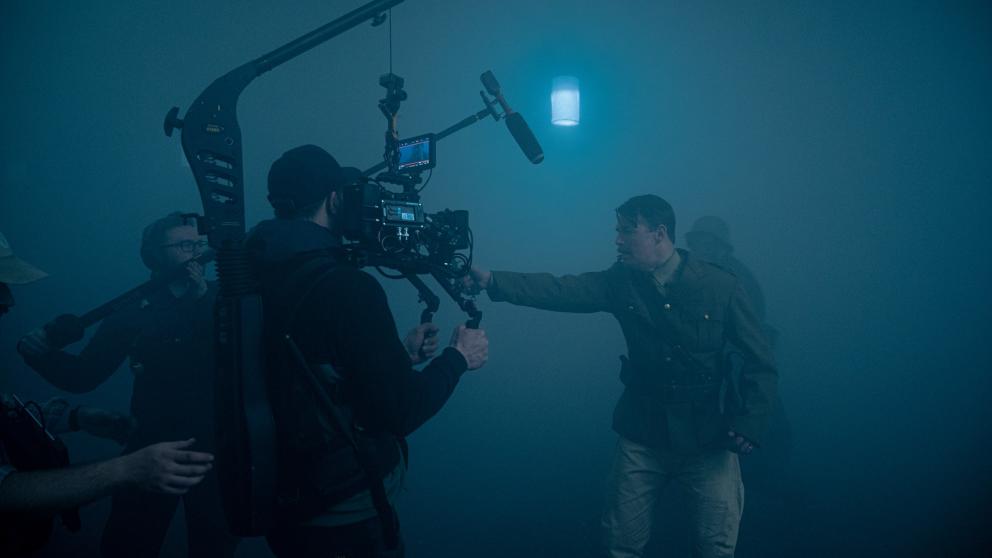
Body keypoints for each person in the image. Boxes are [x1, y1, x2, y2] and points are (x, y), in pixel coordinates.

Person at [464, 195, 778, 558]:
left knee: (717, 547)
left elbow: (760, 359)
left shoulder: (722, 286)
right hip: (643, 434)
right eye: (618, 230)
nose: (617, 239)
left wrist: (751, 422)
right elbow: (562, 289)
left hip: (708, 439)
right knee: (620, 545)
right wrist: (492, 281)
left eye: (627, 230)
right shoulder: (621, 281)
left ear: (659, 233)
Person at [246, 144, 489, 557]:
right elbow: (399, 410)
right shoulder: (347, 286)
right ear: (336, 198)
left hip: (278, 497)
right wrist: (457, 358)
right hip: (343, 510)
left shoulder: (253, 270)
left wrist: (398, 355)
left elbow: (305, 365)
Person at [16, 215, 238, 558]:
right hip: (149, 447)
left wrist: (202, 300)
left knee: (215, 546)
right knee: (128, 544)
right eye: (183, 245)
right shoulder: (131, 312)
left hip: (220, 448)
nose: (195, 252)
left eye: (198, 244)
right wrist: (41, 356)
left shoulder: (227, 299)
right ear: (153, 256)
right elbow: (84, 376)